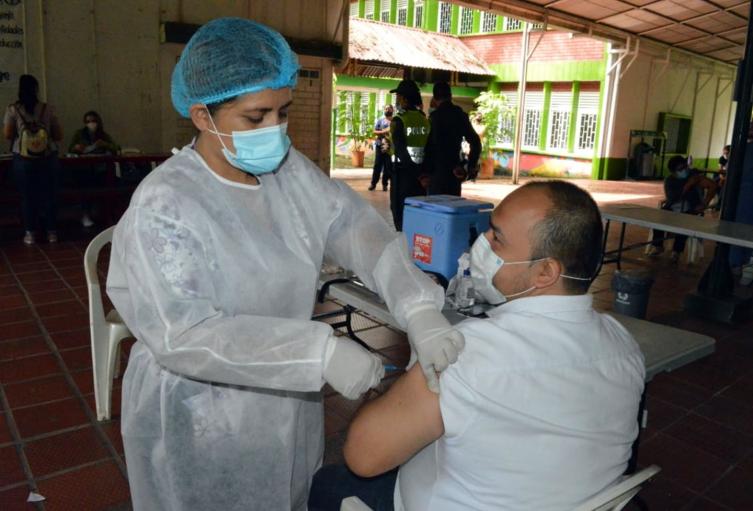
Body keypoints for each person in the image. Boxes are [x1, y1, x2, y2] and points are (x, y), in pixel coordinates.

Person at [105, 18, 464, 511]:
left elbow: (356, 229)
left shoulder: (285, 170)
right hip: (201, 405)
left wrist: (417, 305)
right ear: (202, 115)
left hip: (283, 395)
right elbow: (183, 335)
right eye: (255, 117)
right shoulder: (167, 204)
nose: (274, 130)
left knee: (285, 493)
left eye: (282, 112)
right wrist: (317, 354)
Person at [309, 181, 645, 511]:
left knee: (329, 483)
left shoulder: (472, 351)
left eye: (497, 238)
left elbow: (363, 456)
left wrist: (389, 388)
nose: (481, 242)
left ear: (545, 272)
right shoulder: (625, 345)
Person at [3, 74, 63, 245]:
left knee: (27, 196)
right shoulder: (47, 108)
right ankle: (52, 232)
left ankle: (30, 233)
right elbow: (58, 135)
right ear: (36, 89)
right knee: (49, 194)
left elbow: (7, 134)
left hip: (23, 158)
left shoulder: (13, 109)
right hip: (47, 156)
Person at [648, 155, 718, 261]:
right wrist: (688, 185)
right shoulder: (670, 181)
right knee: (659, 217)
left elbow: (713, 185)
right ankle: (658, 246)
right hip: (673, 208)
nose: (684, 170)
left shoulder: (694, 176)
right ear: (673, 172)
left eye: (685, 167)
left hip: (691, 210)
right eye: (680, 169)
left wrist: (704, 203)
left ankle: (677, 251)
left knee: (684, 222)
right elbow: (673, 198)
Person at [424, 82, 480, 196]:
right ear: (450, 96)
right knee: (452, 208)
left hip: (437, 173)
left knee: (436, 210)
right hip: (455, 172)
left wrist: (425, 174)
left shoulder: (434, 118)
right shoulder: (460, 115)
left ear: (434, 98)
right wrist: (469, 166)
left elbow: (429, 147)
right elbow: (476, 143)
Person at [388, 80, 429, 231]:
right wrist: (421, 174)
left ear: (404, 98)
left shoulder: (399, 120)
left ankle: (404, 247)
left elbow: (400, 150)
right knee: (417, 212)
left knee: (399, 212)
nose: (397, 99)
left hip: (402, 173)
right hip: (421, 175)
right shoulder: (423, 118)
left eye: (398, 96)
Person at [69, 110, 121, 227]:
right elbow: (70, 149)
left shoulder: (103, 135)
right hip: (84, 169)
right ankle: (85, 214)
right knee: (84, 184)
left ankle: (108, 215)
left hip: (100, 168)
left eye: (93, 121)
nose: (91, 124)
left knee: (110, 183)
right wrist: (77, 148)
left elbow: (116, 148)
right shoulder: (80, 134)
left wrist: (104, 145)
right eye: (88, 121)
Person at [369, 105, 393, 191]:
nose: (387, 110)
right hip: (379, 145)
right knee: (377, 165)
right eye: (386, 109)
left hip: (390, 147)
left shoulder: (394, 121)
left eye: (389, 109)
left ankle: (385, 184)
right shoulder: (380, 120)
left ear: (392, 110)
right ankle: (373, 184)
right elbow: (375, 131)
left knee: (387, 167)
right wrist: (384, 131)